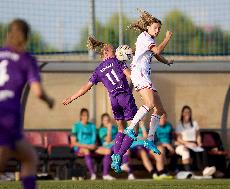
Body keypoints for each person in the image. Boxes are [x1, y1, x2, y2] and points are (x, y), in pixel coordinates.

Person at [62, 36, 137, 173]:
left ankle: (115, 156)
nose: (116, 52)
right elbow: (130, 75)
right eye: (113, 50)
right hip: (125, 97)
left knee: (121, 129)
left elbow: (86, 87)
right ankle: (119, 156)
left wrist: (72, 97)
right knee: (134, 129)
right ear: (107, 53)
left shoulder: (98, 70)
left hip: (114, 101)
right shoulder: (118, 61)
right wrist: (140, 79)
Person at [113, 9, 174, 170]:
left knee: (160, 110)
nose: (157, 30)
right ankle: (130, 127)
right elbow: (158, 50)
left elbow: (157, 55)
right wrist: (167, 38)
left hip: (145, 76)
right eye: (155, 27)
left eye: (159, 29)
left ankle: (150, 139)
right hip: (139, 74)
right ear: (147, 27)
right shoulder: (145, 37)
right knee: (148, 103)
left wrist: (166, 62)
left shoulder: (149, 39)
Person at [0, 19, 54, 189]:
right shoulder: (26, 59)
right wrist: (49, 100)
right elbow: (37, 91)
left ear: (9, 34)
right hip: (7, 117)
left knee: (29, 156)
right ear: (26, 37)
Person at [71, 108, 114, 180]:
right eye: (84, 115)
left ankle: (105, 174)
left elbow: (95, 139)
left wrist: (94, 145)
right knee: (86, 151)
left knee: (108, 151)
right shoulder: (76, 126)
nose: (86, 117)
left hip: (92, 147)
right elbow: (74, 142)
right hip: (81, 147)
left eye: (87, 115)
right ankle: (92, 174)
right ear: (81, 116)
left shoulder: (92, 126)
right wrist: (87, 146)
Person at [175, 106, 215, 175]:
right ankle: (202, 170)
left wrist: (199, 143)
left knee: (203, 150)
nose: (187, 113)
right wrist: (188, 144)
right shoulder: (179, 125)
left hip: (194, 144)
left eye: (189, 112)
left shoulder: (194, 123)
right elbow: (179, 139)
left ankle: (206, 169)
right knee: (195, 152)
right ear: (182, 113)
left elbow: (198, 135)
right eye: (185, 112)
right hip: (185, 144)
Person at [98, 113, 134, 180]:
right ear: (102, 122)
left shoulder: (114, 128)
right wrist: (109, 129)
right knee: (123, 148)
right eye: (105, 120)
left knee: (126, 147)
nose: (107, 121)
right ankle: (106, 174)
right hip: (108, 147)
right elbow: (108, 140)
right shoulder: (101, 130)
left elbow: (120, 137)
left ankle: (129, 172)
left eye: (108, 120)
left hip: (116, 146)